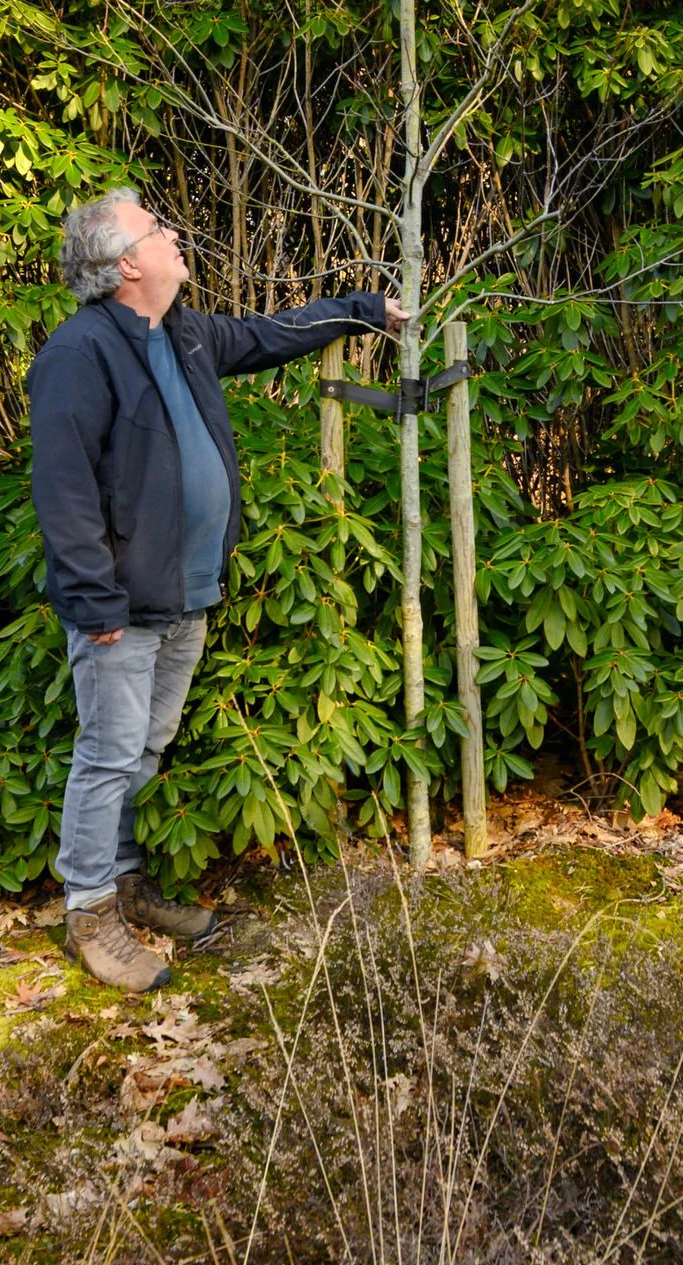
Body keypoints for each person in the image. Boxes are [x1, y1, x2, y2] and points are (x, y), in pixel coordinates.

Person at [30, 188, 406, 991]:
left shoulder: (186, 333)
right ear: (126, 263)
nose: (172, 236)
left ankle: (125, 882)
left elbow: (274, 334)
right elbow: (62, 491)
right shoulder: (79, 353)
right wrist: (93, 602)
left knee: (145, 748)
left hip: (186, 594)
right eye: (156, 230)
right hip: (120, 610)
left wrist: (364, 309)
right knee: (107, 754)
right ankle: (89, 913)